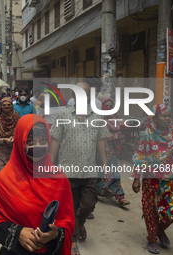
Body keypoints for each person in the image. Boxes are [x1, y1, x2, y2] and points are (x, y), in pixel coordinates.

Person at [0, 114, 75, 255]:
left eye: (42, 140)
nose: (37, 146)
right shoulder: (4, 180)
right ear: (20, 142)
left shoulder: (59, 179)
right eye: (30, 141)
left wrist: (55, 234)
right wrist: (19, 233)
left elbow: (67, 222)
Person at [49, 82, 109, 255]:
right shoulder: (63, 114)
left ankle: (80, 224)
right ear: (73, 96)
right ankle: (73, 240)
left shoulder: (96, 117)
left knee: (88, 205)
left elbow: (101, 141)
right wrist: (50, 167)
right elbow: (55, 141)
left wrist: (105, 166)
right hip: (68, 171)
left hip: (89, 170)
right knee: (71, 207)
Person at [132, 104, 173, 254]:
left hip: (171, 181)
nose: (167, 119)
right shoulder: (148, 135)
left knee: (172, 213)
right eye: (164, 116)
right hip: (151, 179)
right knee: (151, 211)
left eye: (169, 115)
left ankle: (160, 230)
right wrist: (136, 178)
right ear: (155, 117)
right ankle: (152, 238)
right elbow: (140, 156)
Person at [96, 97, 130, 207]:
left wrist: (116, 137)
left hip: (113, 147)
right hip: (101, 148)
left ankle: (120, 197)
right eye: (107, 105)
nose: (109, 108)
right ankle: (101, 190)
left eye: (111, 106)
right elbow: (98, 133)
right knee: (101, 172)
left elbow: (119, 133)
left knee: (114, 171)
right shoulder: (99, 118)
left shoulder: (114, 118)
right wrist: (106, 138)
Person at [0, 97, 20, 174]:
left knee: (14, 177)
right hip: (1, 153)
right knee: (2, 176)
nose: (6, 106)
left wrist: (14, 138)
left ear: (12, 106)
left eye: (8, 105)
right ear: (1, 107)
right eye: (4, 105)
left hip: (15, 152)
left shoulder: (17, 118)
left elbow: (22, 133)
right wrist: (4, 140)